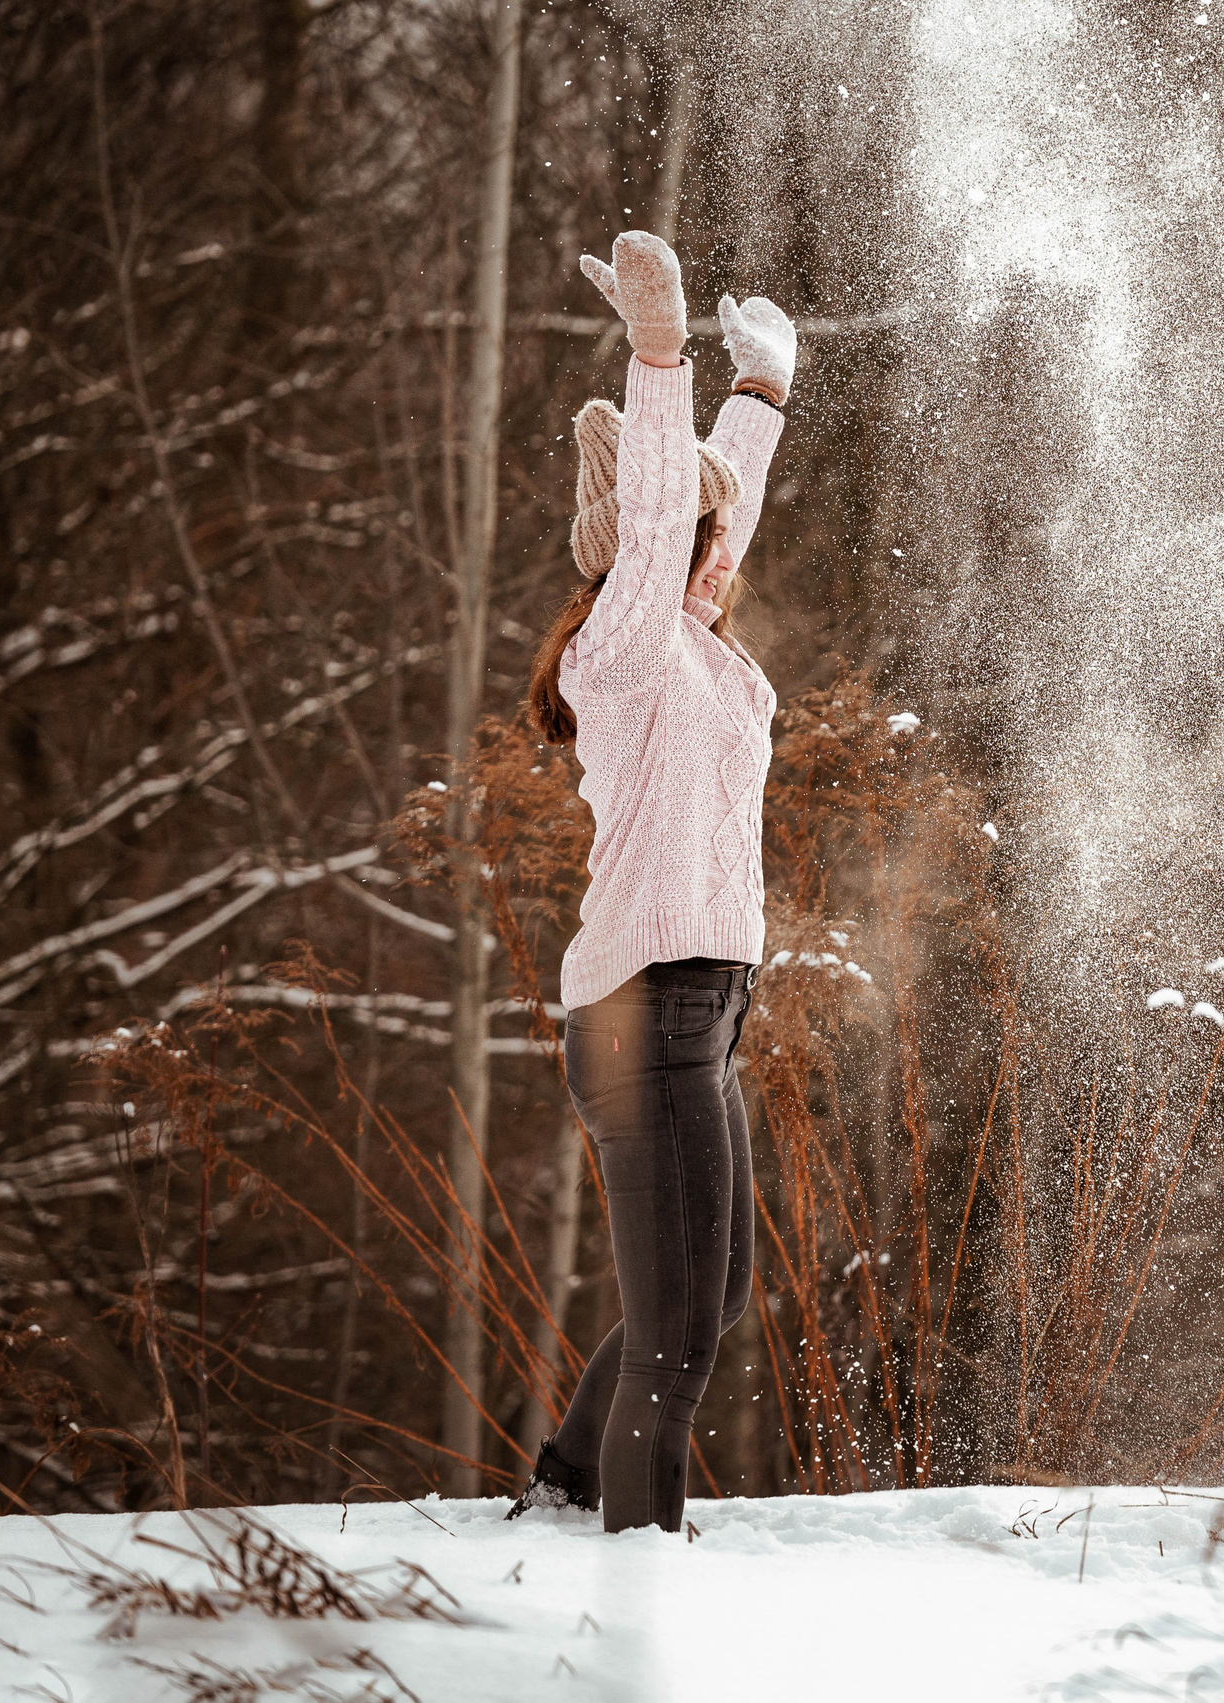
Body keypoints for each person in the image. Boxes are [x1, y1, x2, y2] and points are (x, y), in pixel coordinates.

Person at [508, 230, 795, 1533]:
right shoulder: (621, 649)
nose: (714, 545)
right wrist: (662, 355)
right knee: (677, 1343)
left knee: (705, 1304)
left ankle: (571, 1490)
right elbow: (668, 520)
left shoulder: (688, 628)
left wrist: (764, 392)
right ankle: (635, 1578)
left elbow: (711, 512)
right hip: (645, 1018)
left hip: (697, 1015)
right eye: (685, 519)